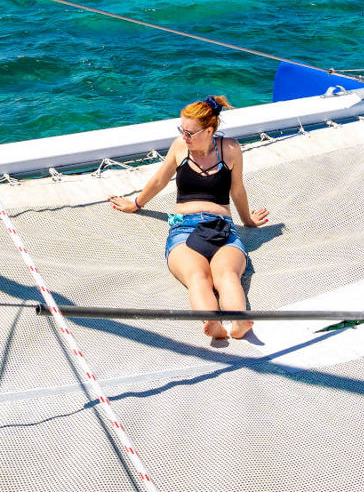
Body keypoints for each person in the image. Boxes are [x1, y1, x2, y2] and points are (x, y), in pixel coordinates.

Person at [110, 94, 268, 340]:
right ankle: (213, 323)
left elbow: (237, 189)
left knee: (226, 274)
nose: (184, 136)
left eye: (190, 133)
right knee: (198, 275)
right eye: (182, 130)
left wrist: (246, 220)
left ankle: (238, 323)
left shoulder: (231, 149)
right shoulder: (179, 147)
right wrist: (136, 203)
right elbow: (160, 180)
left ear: (209, 130)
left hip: (222, 227)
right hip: (184, 229)